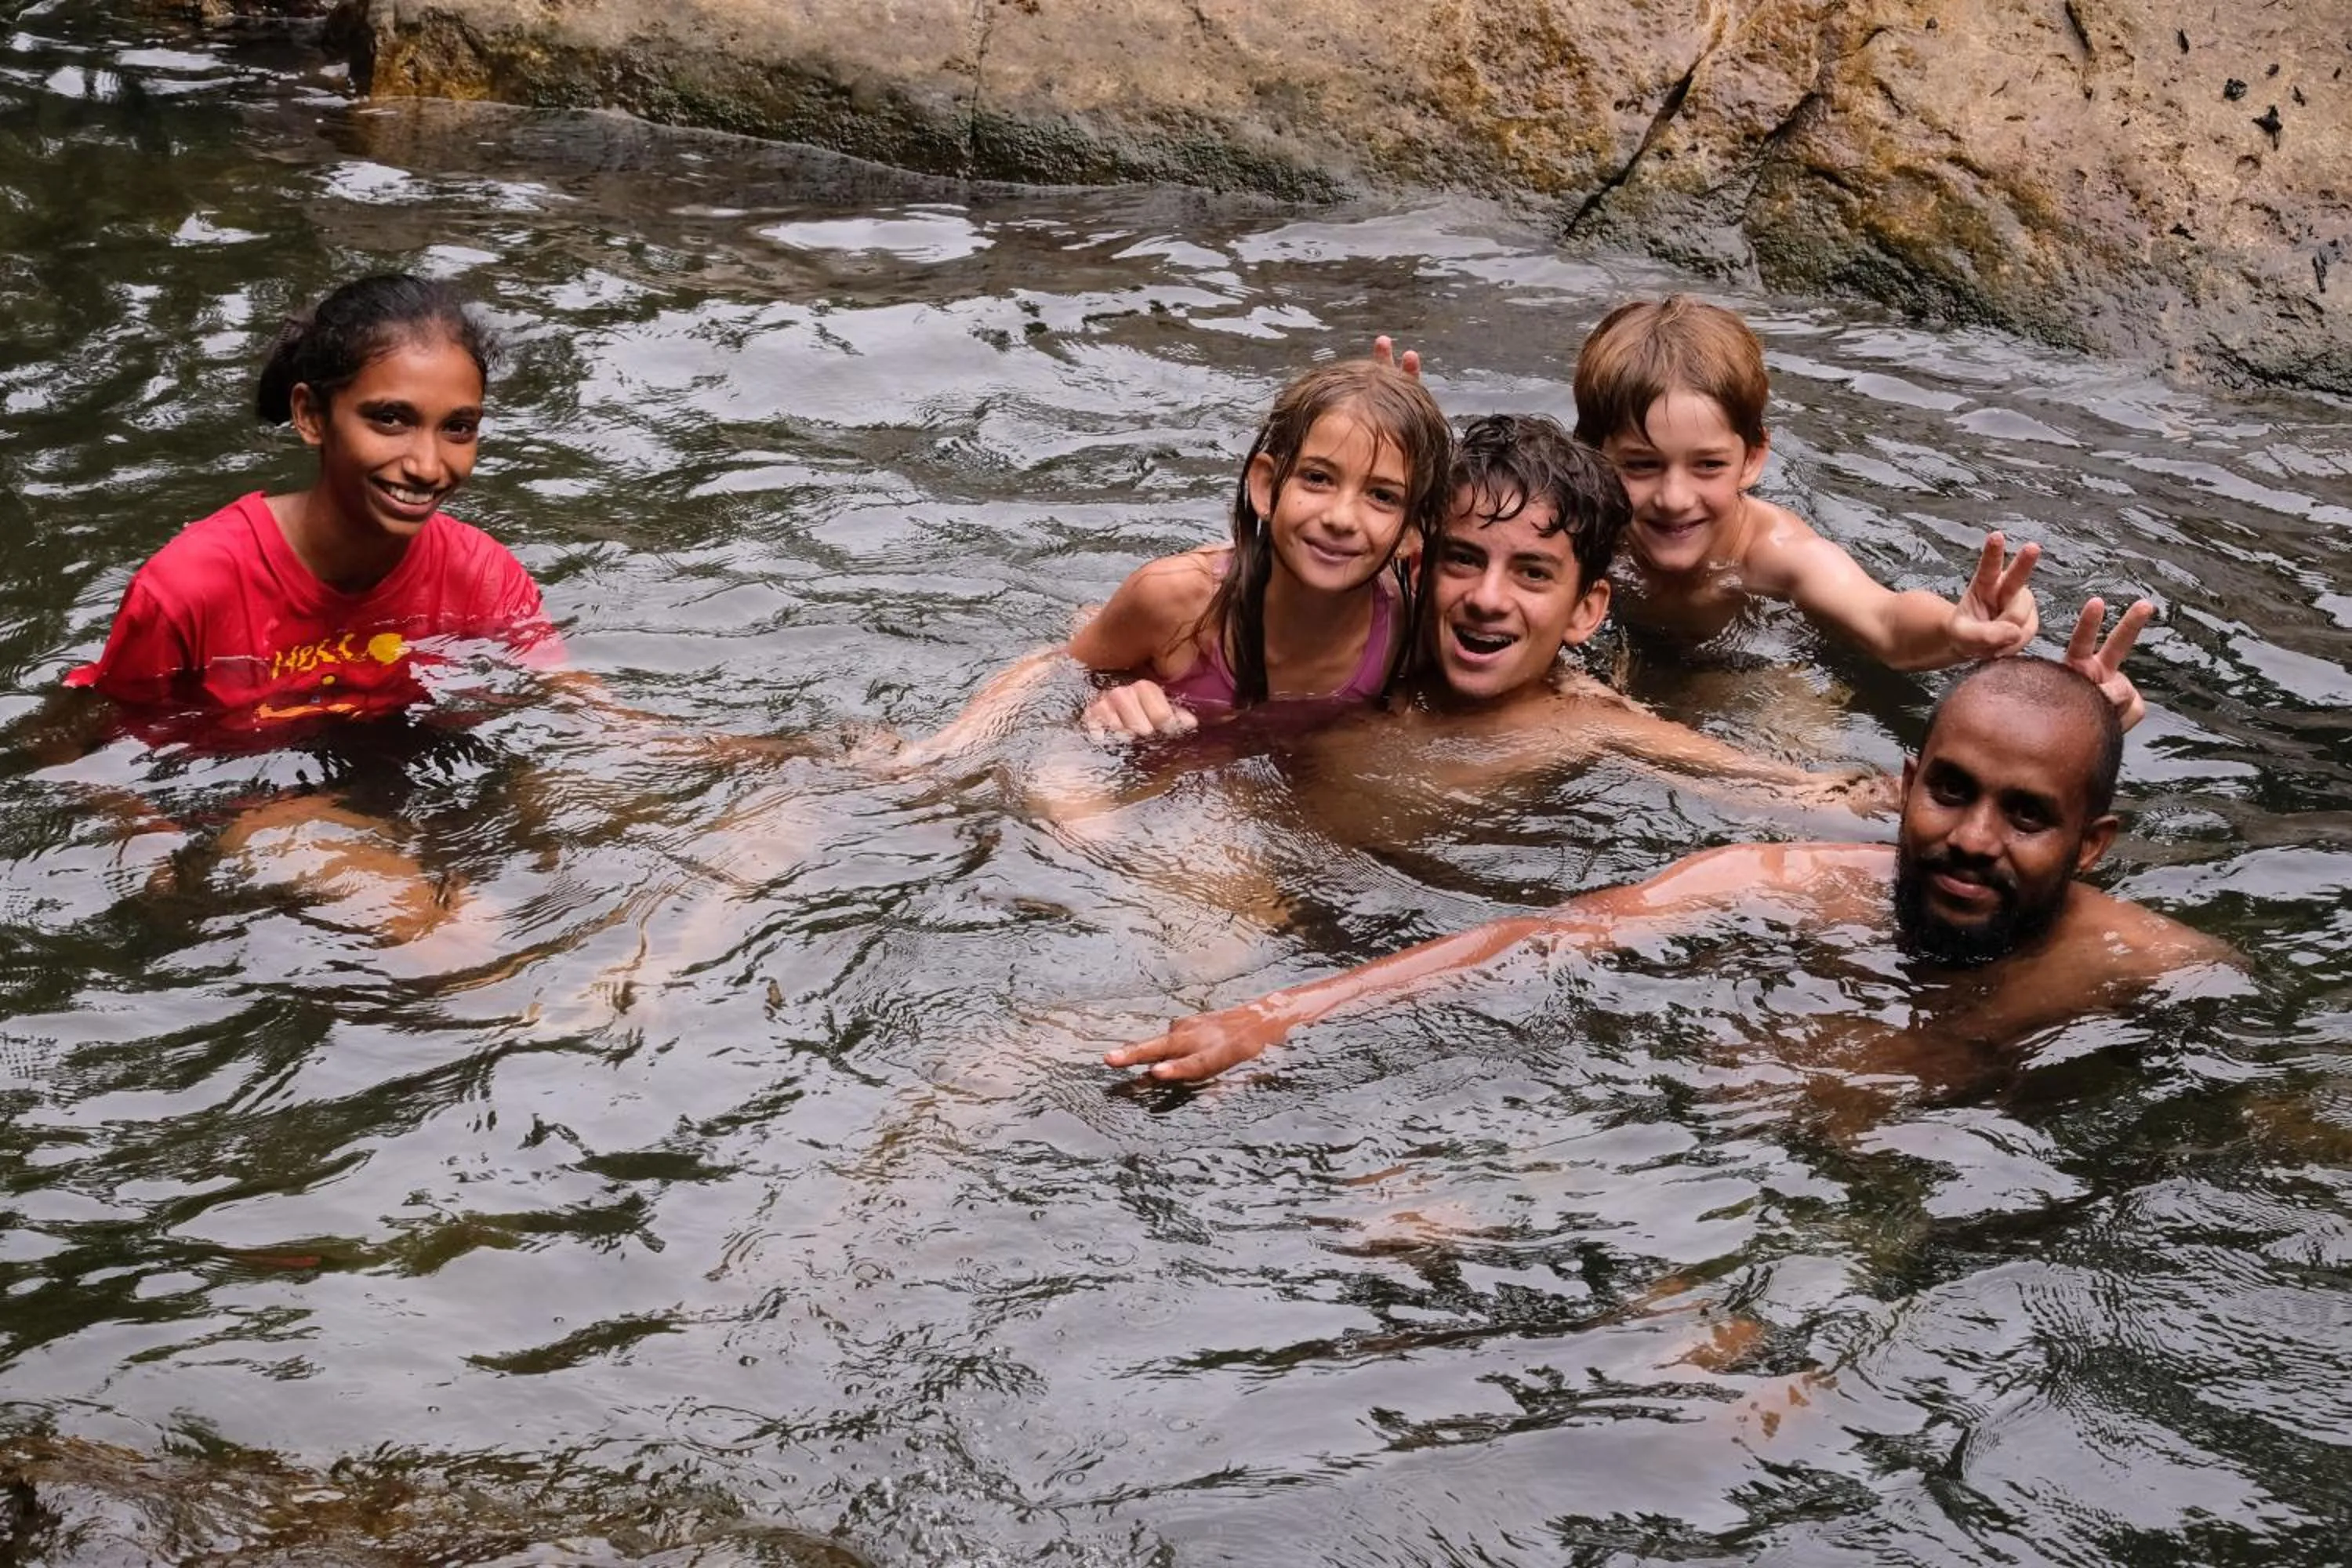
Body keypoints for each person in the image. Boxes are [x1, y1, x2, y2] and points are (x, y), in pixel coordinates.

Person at [1106, 656, 2224, 1081]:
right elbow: (1549, 936)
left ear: (2091, 847)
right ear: (1905, 780)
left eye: (2026, 816)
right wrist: (1286, 1016)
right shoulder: (1779, 881)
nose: (1974, 837)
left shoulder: (2152, 968)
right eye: (1952, 791)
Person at [65, 273, 557, 732]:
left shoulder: (481, 573)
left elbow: (570, 700)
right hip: (245, 796)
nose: (428, 466)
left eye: (458, 428)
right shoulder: (189, 589)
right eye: (390, 419)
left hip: (405, 770)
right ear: (310, 416)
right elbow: (98, 743)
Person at [1573, 296, 2041, 667]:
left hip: (1763, 665)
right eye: (1641, 466)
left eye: (1708, 466)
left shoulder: (1778, 557)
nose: (1674, 499)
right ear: (1592, 456)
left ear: (1753, 458)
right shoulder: (1585, 533)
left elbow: (1884, 618)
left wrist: (1952, 629)